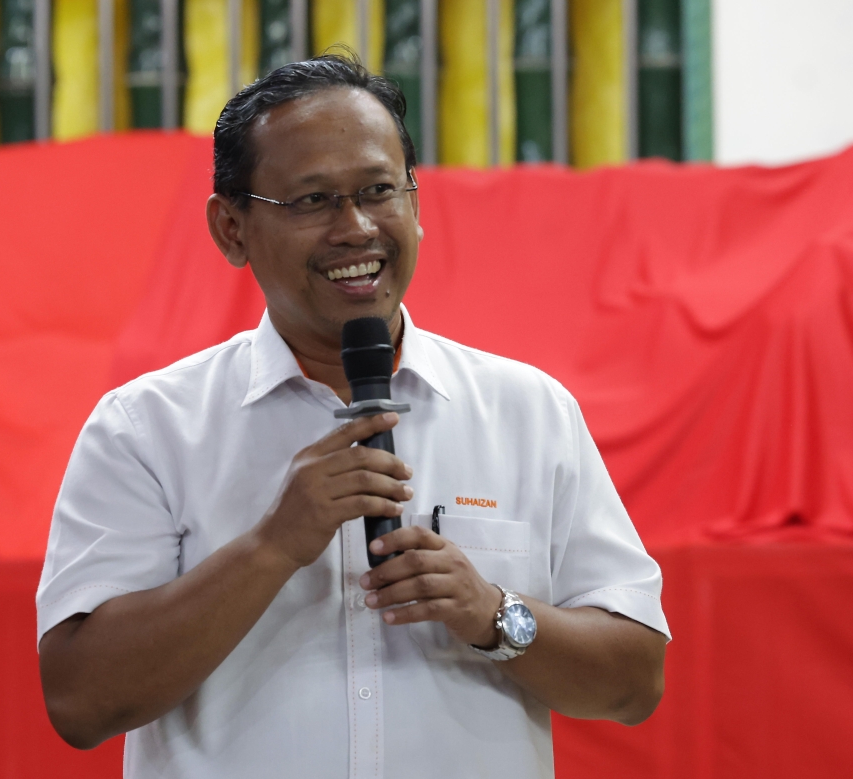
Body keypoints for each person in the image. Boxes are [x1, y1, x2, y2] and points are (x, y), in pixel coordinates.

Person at [37, 54, 670, 778]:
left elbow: (634, 681)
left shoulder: (528, 411)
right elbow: (79, 701)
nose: (356, 227)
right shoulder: (146, 429)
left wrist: (493, 615)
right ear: (231, 229)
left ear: (416, 204)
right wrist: (274, 544)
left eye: (378, 190)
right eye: (313, 201)